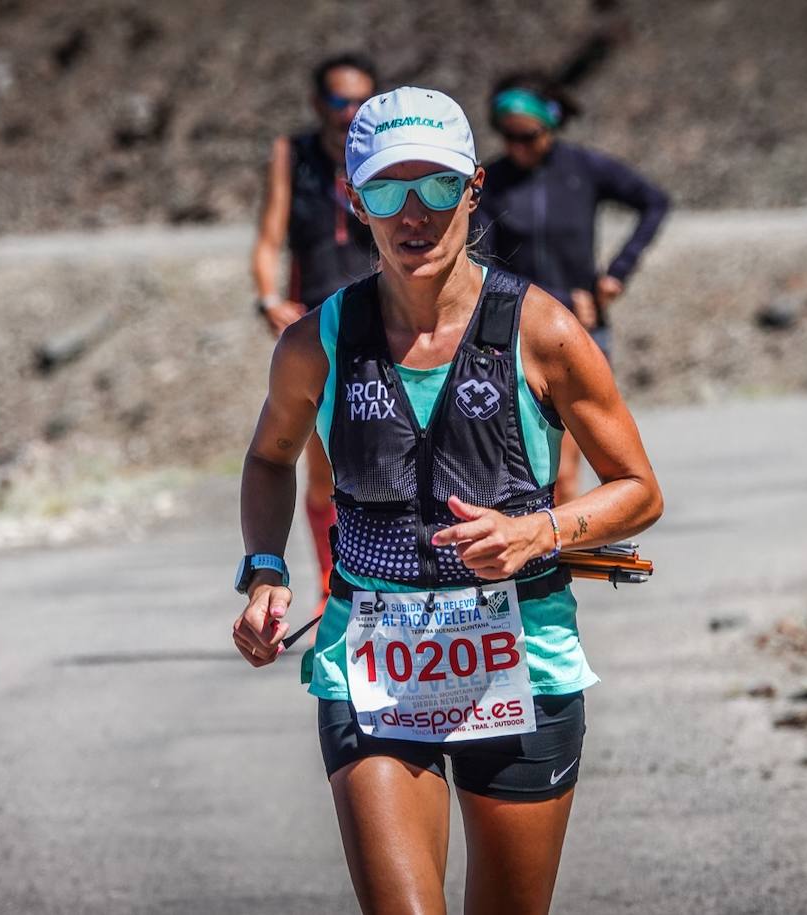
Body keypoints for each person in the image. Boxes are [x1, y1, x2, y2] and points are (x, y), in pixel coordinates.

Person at [231, 86, 663, 913]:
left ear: (474, 188)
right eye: (389, 190)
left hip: (521, 665)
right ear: (356, 201)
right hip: (374, 669)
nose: (414, 213)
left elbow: (639, 490)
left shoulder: (543, 331)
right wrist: (262, 568)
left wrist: (539, 530)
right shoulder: (313, 343)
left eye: (436, 186)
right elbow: (268, 457)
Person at [475, 71, 670, 505]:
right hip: (515, 333)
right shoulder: (491, 182)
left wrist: (617, 273)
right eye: (507, 135)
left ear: (553, 124)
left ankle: (556, 559)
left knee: (564, 473)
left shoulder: (584, 169)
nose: (516, 146)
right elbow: (480, 258)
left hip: (582, 327)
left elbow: (655, 202)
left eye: (528, 135)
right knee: (514, 466)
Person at [250, 52, 378, 619]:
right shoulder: (293, 155)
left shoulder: (380, 154)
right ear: (317, 102)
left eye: (359, 101)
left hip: (382, 316)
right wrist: (268, 297)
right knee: (323, 462)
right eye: (337, 100)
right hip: (318, 326)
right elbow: (269, 236)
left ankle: (382, 572)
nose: (348, 112)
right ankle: (333, 584)